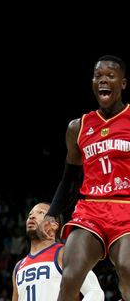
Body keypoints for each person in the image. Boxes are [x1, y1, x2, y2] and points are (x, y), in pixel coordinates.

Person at [42, 54, 130, 301]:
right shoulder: (78, 127)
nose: (103, 80)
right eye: (98, 76)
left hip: (126, 208)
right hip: (90, 210)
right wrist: (52, 213)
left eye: (110, 76)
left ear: (122, 83)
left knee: (127, 267)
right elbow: (69, 179)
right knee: (71, 275)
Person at [12, 202, 104, 301]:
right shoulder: (18, 266)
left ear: (54, 225)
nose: (32, 217)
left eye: (40, 213)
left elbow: (95, 292)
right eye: (30, 214)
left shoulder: (65, 253)